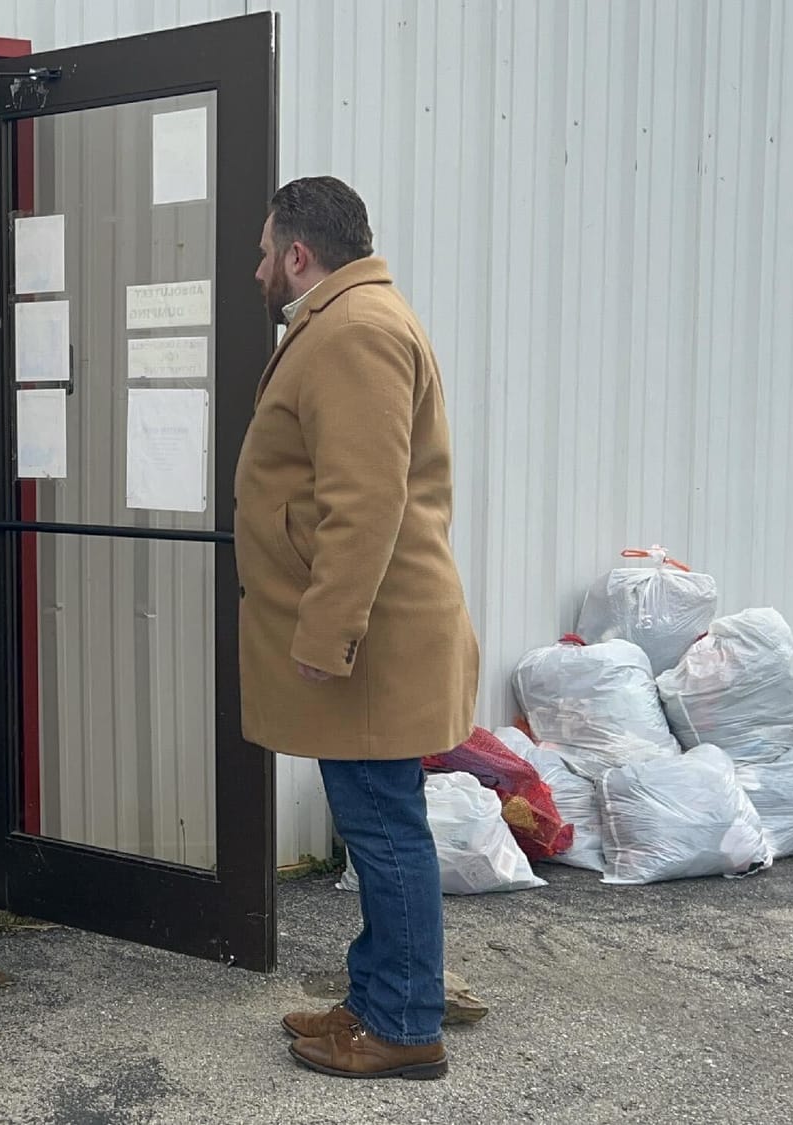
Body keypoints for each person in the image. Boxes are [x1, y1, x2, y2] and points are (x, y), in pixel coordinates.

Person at [235, 177, 479, 1081]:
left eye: (265, 252)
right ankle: (379, 992)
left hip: (368, 643)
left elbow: (365, 504)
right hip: (370, 635)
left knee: (380, 827)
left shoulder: (353, 331)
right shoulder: (347, 322)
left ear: (300, 254)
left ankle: (406, 1022)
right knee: (378, 819)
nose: (258, 268)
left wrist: (323, 636)